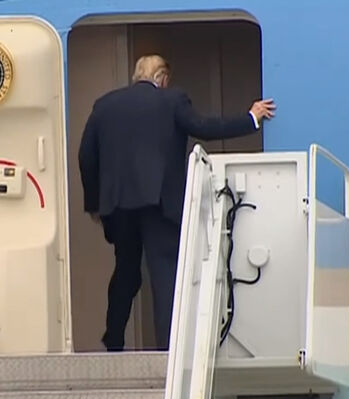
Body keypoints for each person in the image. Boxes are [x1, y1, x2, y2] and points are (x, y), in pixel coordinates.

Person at [78, 54, 276, 352]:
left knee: (126, 270)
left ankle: (114, 339)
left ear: (136, 75)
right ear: (163, 78)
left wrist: (94, 203)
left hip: (119, 204)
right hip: (160, 202)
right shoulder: (172, 100)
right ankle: (169, 348)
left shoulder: (104, 105)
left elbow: (86, 156)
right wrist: (250, 118)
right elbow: (204, 127)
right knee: (164, 274)